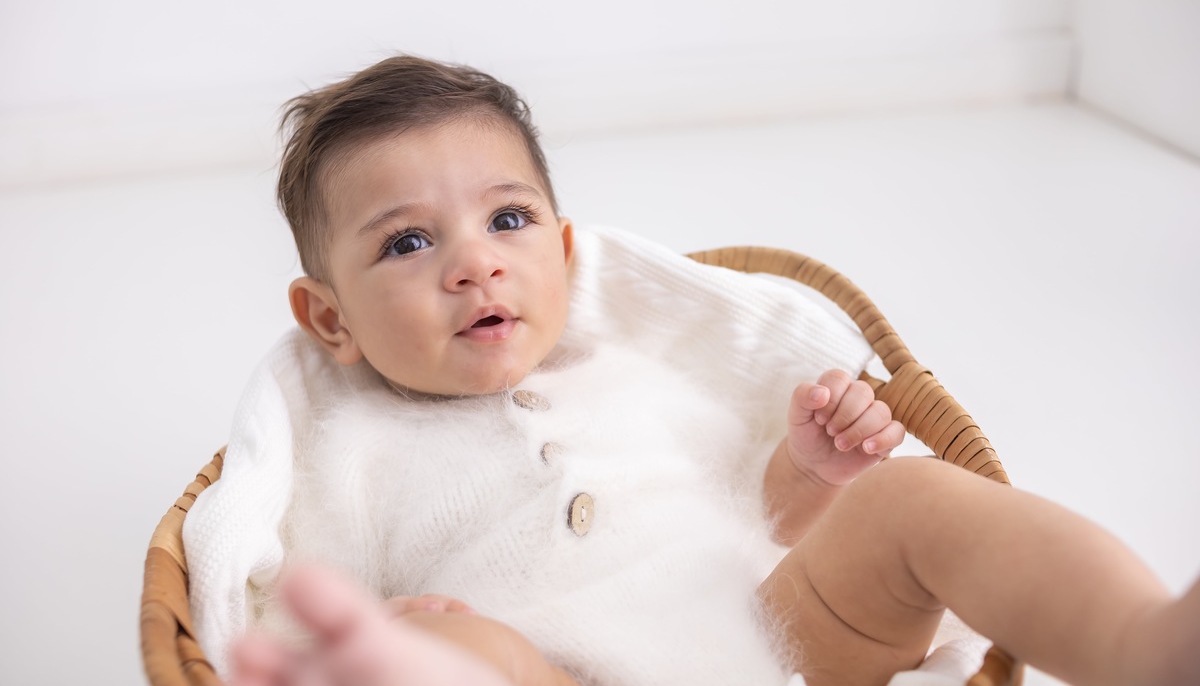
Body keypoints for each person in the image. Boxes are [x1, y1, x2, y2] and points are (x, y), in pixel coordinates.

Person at [225, 55, 1198, 686]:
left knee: (911, 502)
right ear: (331, 317)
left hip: (779, 638)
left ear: (564, 250)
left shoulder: (633, 365)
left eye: (508, 219)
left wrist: (809, 473)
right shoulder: (348, 442)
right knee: (457, 656)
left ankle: (1145, 646)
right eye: (406, 242)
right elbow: (290, 587)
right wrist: (390, 632)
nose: (474, 261)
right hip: (556, 670)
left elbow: (747, 510)